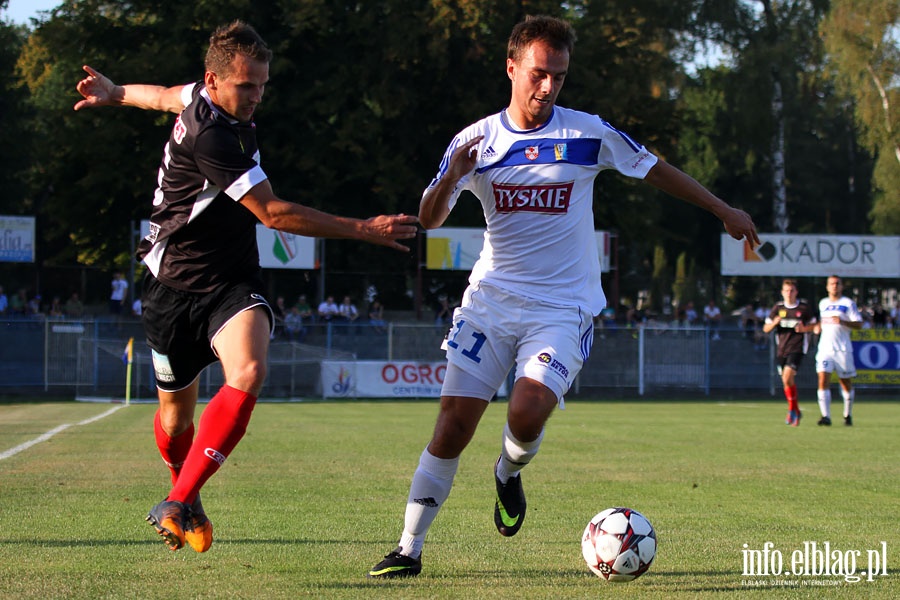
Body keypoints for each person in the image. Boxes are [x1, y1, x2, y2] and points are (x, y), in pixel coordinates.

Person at [367, 14, 759, 578]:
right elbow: (429, 218)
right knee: (453, 424)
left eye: (559, 76)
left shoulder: (586, 133)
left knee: (525, 414)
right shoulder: (475, 141)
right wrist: (452, 174)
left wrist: (723, 209)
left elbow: (654, 169)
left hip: (562, 306)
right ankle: (408, 548)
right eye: (538, 74)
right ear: (512, 68)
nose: (548, 87)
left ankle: (507, 472)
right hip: (490, 302)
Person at [74, 20, 418, 553]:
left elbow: (163, 95)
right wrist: (363, 229)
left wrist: (118, 93)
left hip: (231, 283)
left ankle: (179, 497)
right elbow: (275, 214)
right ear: (214, 81)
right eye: (245, 86)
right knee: (175, 416)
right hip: (172, 289)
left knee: (251, 370)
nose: (256, 96)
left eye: (261, 84)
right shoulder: (212, 137)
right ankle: (183, 493)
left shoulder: (201, 97)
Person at [762, 279, 816, 426]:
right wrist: (774, 323)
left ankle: (792, 410)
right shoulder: (778, 308)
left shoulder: (803, 308)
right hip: (782, 349)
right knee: (787, 381)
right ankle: (796, 410)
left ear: (796, 292)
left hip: (798, 348)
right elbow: (765, 329)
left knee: (787, 376)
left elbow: (816, 326)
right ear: (782, 292)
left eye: (792, 290)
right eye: (786, 290)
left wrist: (804, 329)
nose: (789, 293)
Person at [813, 275, 863, 426]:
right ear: (827, 287)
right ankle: (825, 416)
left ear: (841, 286)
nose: (834, 286)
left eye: (837, 284)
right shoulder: (823, 303)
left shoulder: (848, 303)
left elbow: (859, 324)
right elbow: (821, 323)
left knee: (845, 382)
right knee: (822, 379)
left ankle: (847, 415)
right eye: (831, 284)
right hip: (825, 349)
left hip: (842, 349)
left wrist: (843, 321)